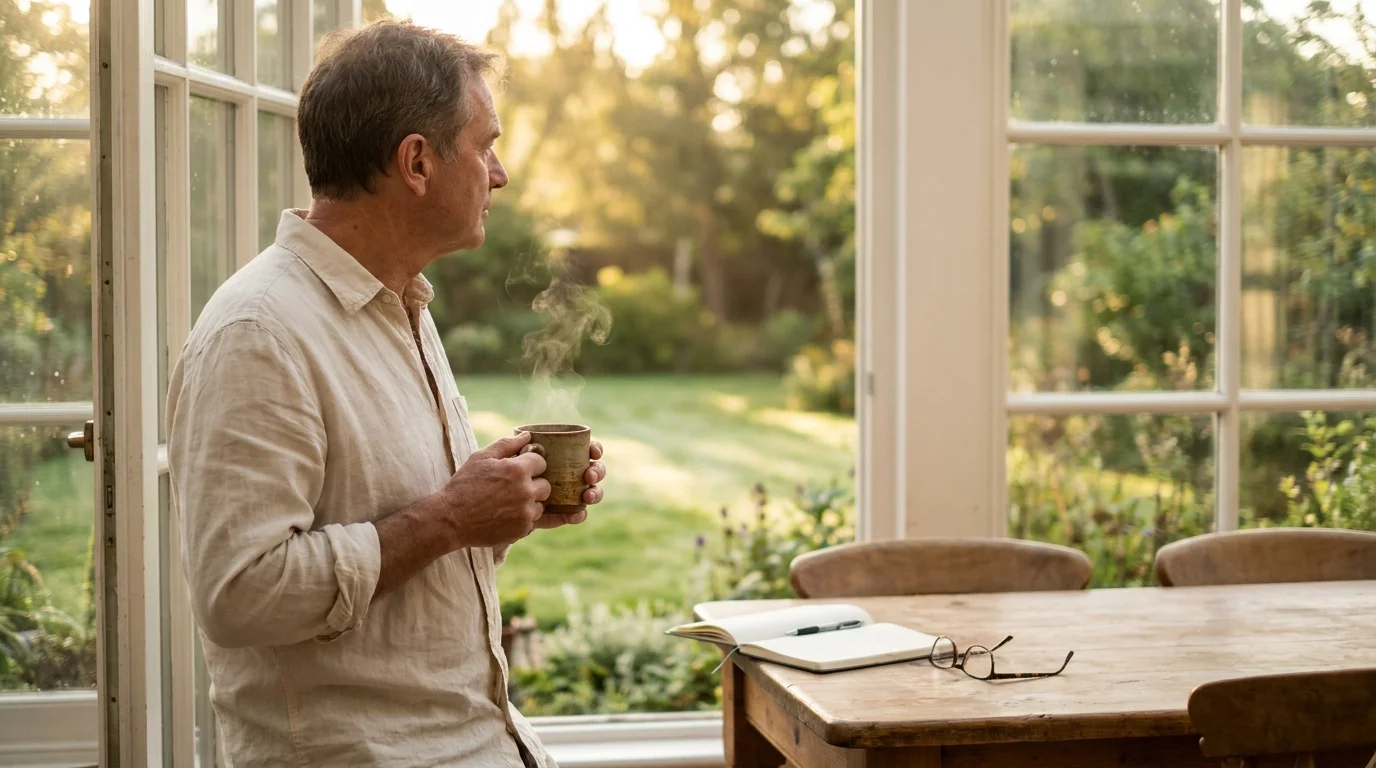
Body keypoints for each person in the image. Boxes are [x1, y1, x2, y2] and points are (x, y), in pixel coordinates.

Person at [165, 20, 602, 767]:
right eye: (485, 145)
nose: (500, 174)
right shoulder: (259, 331)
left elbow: (406, 535)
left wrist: (501, 509)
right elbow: (239, 594)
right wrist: (447, 519)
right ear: (417, 163)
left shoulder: (400, 305)